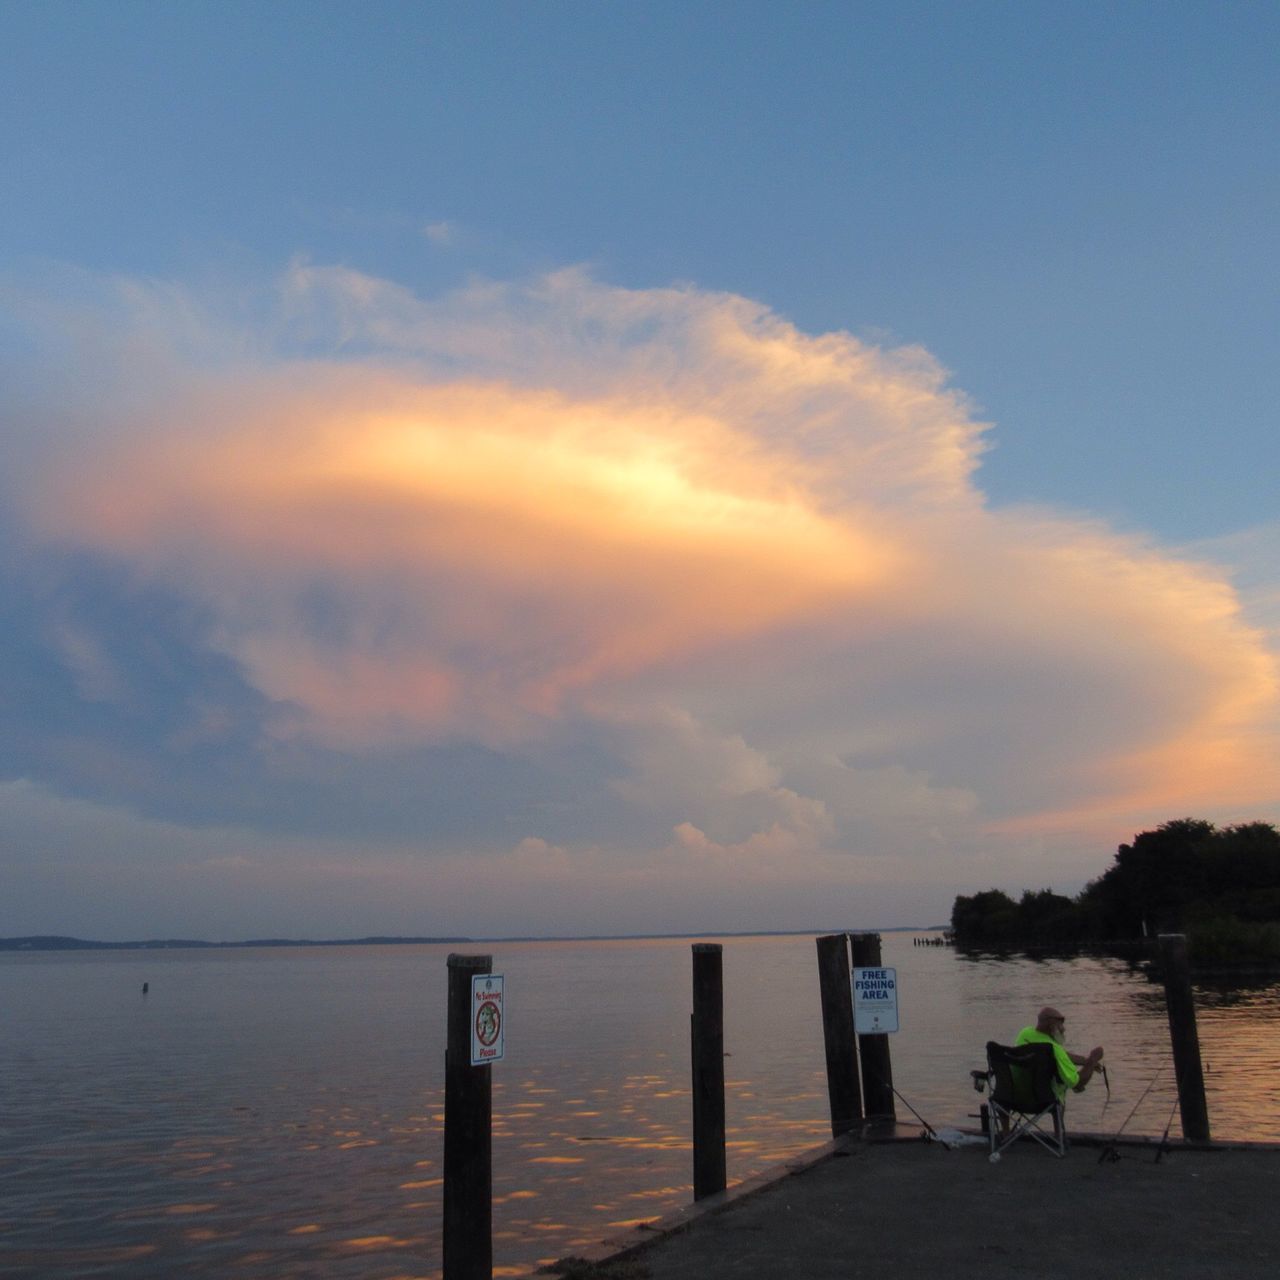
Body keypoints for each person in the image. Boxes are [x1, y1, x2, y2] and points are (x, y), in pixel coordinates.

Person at [1015, 1006, 1104, 1098]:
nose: (1063, 1029)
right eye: (1060, 1025)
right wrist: (1093, 1059)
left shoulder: (1024, 1033)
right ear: (1051, 1026)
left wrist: (1085, 1061)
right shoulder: (1055, 1049)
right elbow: (1077, 1083)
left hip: (1016, 1095)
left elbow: (1062, 1055)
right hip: (1042, 1099)